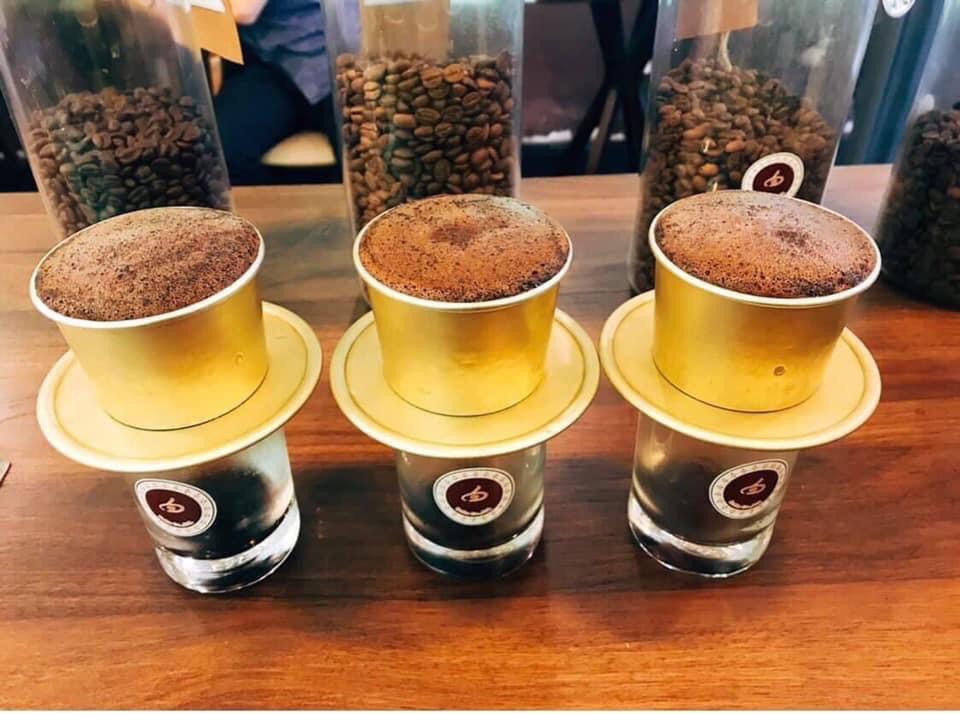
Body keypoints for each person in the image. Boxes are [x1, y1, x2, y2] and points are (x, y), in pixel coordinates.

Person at [215, 0, 337, 184]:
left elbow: (243, 10)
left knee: (368, 154)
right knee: (214, 151)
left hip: (339, 60)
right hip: (273, 65)